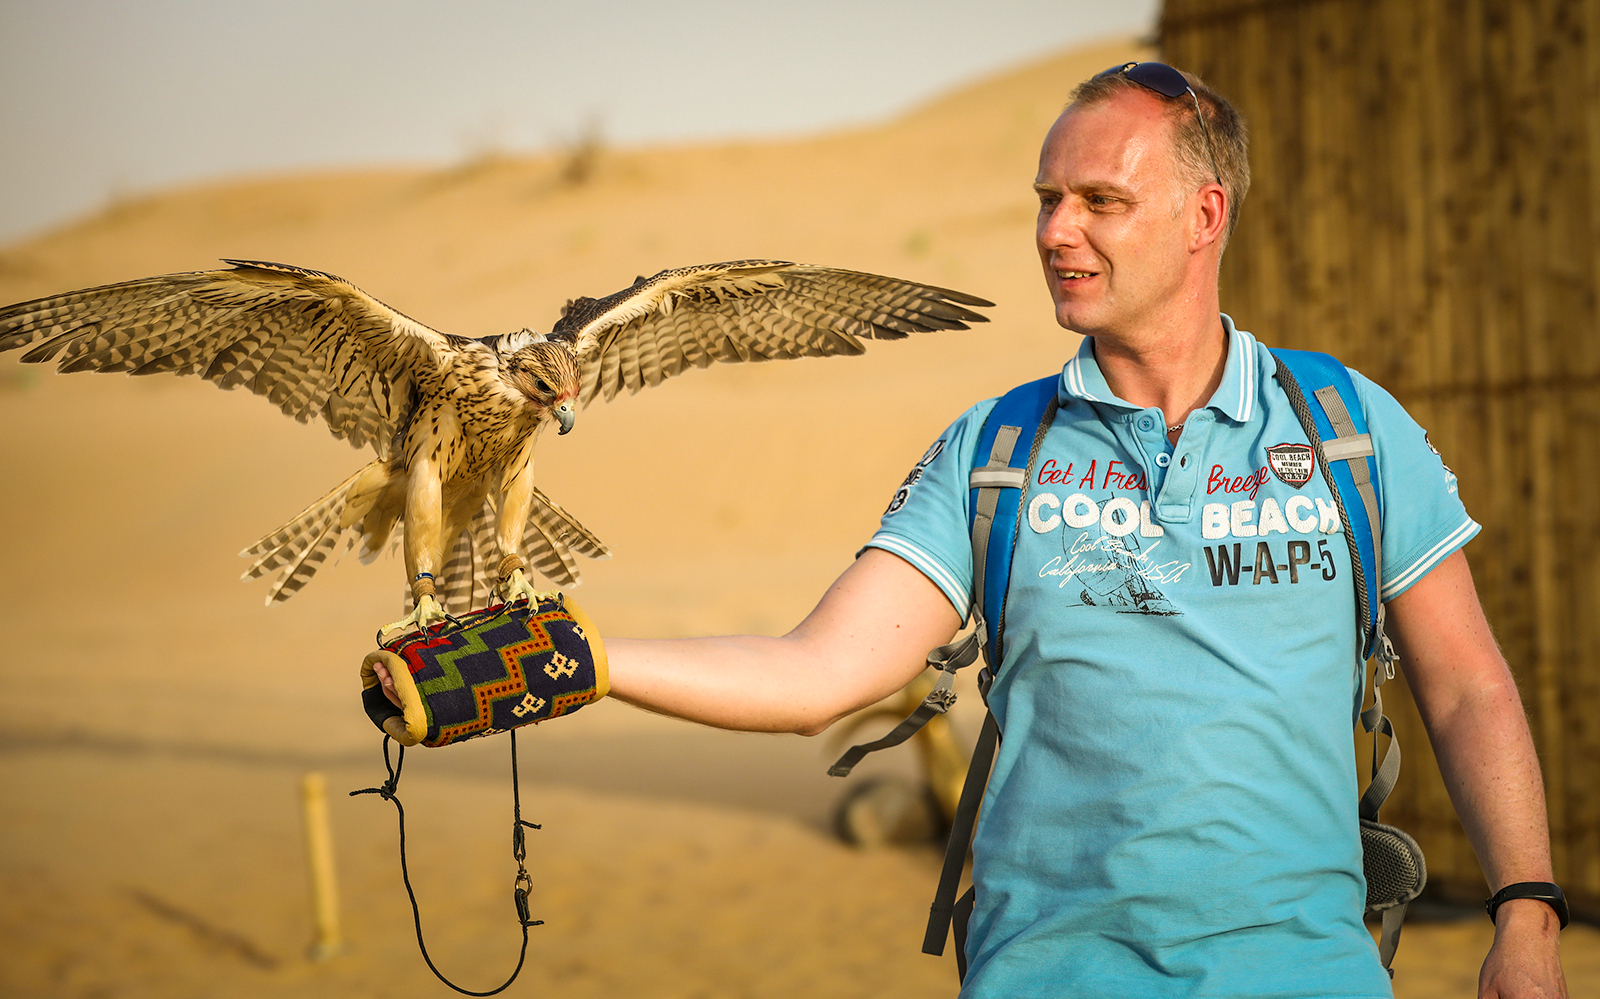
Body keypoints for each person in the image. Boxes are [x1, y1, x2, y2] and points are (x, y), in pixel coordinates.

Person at [376, 64, 1569, 997]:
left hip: (1304, 979)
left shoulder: (1350, 430)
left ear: (1205, 214)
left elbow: (1465, 686)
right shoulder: (995, 452)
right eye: (1047, 199)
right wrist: (577, 662)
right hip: (1048, 978)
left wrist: (1525, 911)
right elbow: (819, 671)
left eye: (1102, 201)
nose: (1058, 230)